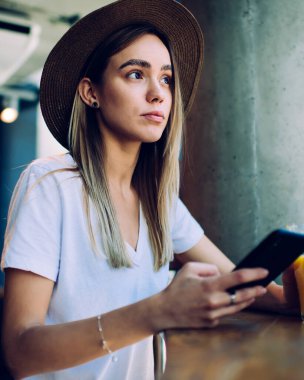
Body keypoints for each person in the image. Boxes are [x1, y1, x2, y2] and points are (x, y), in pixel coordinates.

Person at [0, 0, 299, 379]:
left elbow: (236, 284)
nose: (159, 94)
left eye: (167, 78)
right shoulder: (49, 185)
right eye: (135, 74)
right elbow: (19, 351)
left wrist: (291, 297)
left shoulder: (160, 201)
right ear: (91, 92)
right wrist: (156, 311)